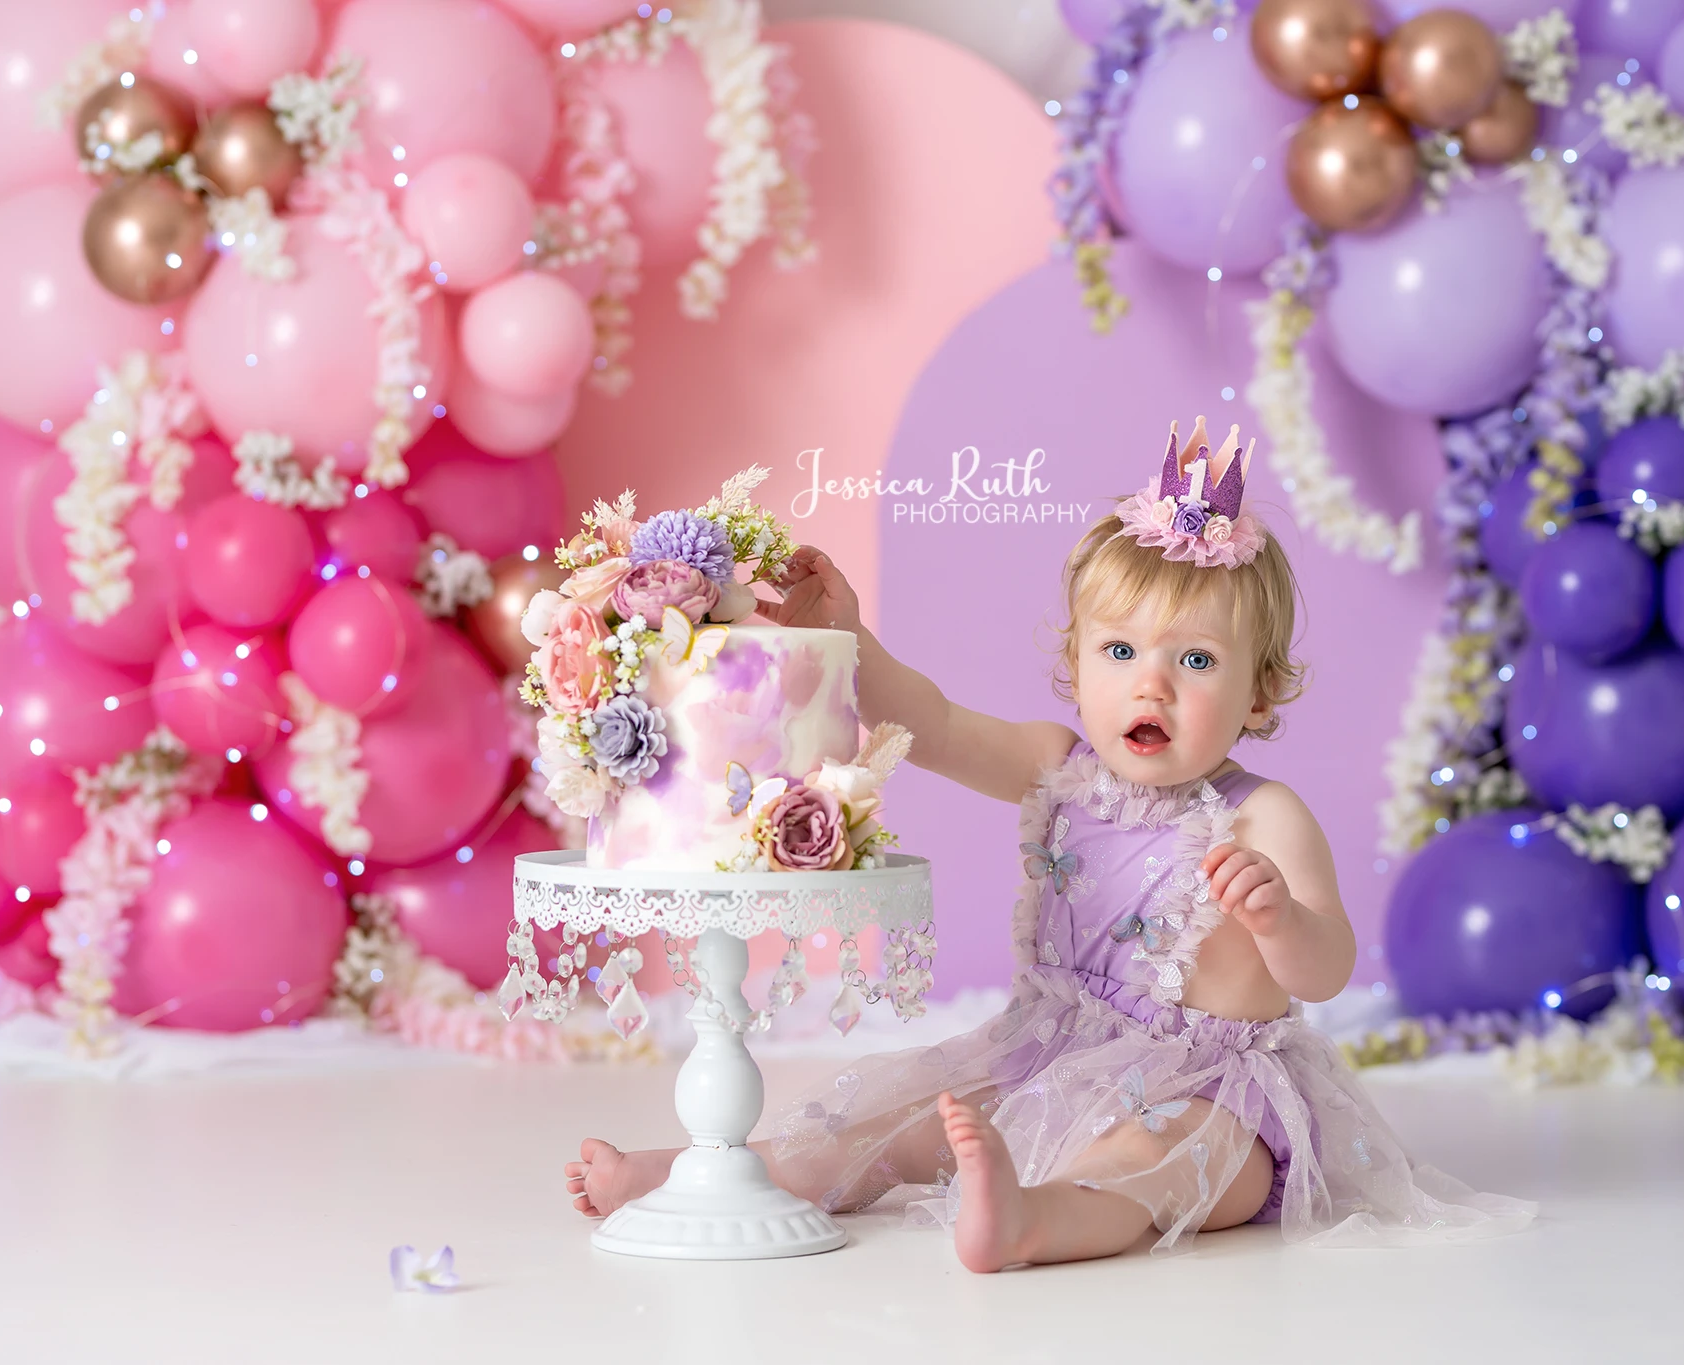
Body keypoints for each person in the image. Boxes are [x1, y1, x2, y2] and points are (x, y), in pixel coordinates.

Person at [567, 417, 1535, 1269]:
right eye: (1119, 653)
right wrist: (848, 639)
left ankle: (1035, 1220)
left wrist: (1277, 918)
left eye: (1194, 661)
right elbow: (933, 723)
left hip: (1212, 1091)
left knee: (1163, 1164)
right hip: (1042, 1057)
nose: (1149, 686)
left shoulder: (1263, 817)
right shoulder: (1054, 769)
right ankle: (715, 1168)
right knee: (892, 1128)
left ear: (1259, 693)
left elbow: (1325, 969)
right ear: (1073, 666)